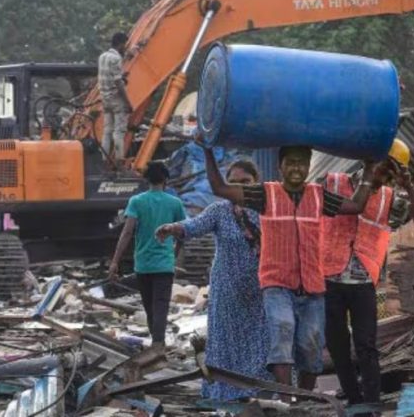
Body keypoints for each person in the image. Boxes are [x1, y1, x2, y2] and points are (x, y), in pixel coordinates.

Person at [203, 143, 376, 392]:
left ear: (308, 166)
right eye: (291, 162)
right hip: (277, 285)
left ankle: (304, 400)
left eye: (302, 162)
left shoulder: (319, 196)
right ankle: (286, 401)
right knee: (282, 335)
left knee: (312, 346)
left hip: (313, 288)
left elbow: (356, 206)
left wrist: (369, 170)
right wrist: (208, 151)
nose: (297, 167)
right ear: (280, 166)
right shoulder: (266, 194)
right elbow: (220, 188)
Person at [322, 139, 414, 412]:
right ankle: (354, 399)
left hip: (363, 281)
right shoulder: (332, 183)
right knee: (337, 345)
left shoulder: (389, 197)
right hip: (329, 277)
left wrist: (408, 185)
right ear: (369, 161)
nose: (385, 177)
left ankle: (371, 403)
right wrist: (368, 179)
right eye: (384, 168)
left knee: (366, 345)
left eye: (391, 173)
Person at [156, 160, 272, 401]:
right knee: (226, 342)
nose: (239, 187)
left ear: (256, 183)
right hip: (226, 290)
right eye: (234, 183)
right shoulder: (219, 211)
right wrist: (172, 227)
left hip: (260, 290)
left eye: (245, 182)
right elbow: (193, 226)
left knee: (259, 341)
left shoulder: (268, 210)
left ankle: (258, 391)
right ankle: (226, 393)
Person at [108, 161, 185, 351]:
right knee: (161, 306)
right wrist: (174, 255)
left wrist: (115, 262)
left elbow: (126, 233)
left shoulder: (137, 201)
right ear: (166, 179)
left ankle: (156, 345)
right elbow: (183, 233)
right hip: (164, 265)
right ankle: (158, 345)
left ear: (146, 179)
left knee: (150, 307)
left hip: (143, 265)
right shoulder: (175, 203)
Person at [98, 32, 132, 165]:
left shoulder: (102, 57)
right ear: (121, 44)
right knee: (119, 132)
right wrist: (127, 103)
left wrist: (122, 75)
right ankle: (119, 163)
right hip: (116, 99)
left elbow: (109, 75)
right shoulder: (116, 59)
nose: (126, 48)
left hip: (105, 99)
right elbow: (118, 84)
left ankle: (104, 161)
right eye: (125, 45)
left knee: (107, 131)